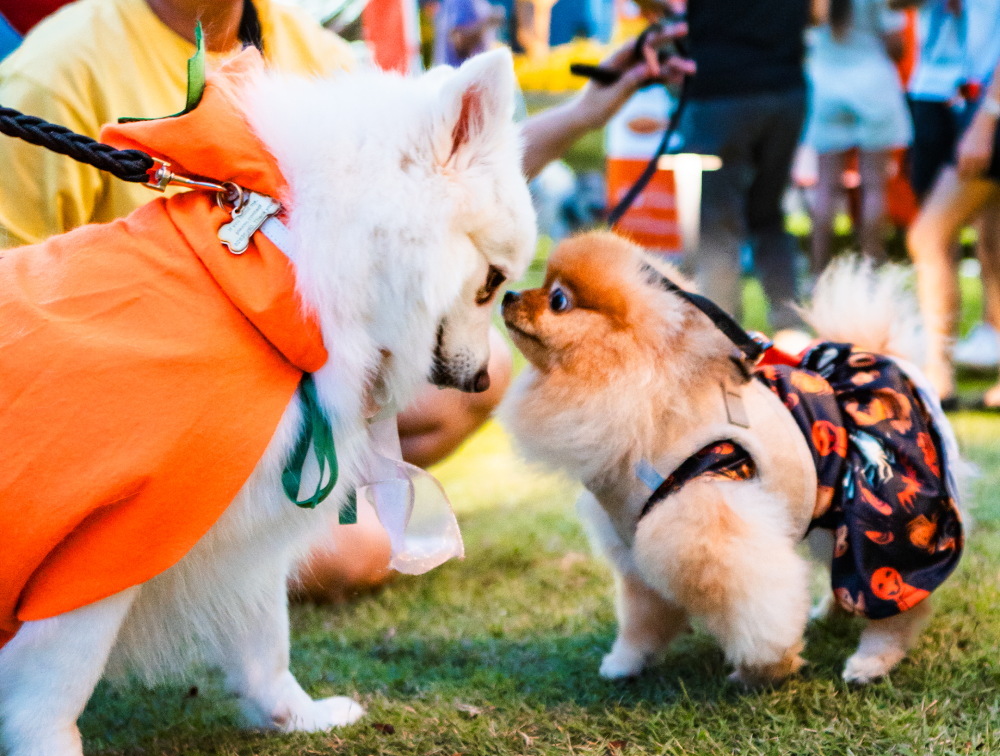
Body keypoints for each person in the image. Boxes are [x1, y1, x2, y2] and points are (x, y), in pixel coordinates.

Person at [0, 0, 692, 600]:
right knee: (360, 551)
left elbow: (442, 172)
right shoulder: (57, 69)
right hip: (128, 416)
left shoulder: (303, 47)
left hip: (275, 388)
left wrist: (587, 109)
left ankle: (285, 507)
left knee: (481, 380)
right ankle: (157, 557)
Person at [676, 0, 811, 337]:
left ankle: (722, 333)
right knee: (768, 214)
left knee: (718, 221)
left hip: (721, 92)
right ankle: (790, 326)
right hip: (784, 90)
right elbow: (818, 14)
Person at [908, 47, 1000, 405]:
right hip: (967, 98)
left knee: (929, 235)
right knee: (992, 240)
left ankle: (938, 372)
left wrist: (986, 120)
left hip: (986, 107)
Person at [805, 0, 913, 271]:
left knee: (825, 186)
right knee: (875, 186)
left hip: (825, 83)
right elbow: (896, 46)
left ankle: (818, 271)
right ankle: (871, 269)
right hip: (872, 83)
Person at [434, 0, 506, 67]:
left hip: (472, 74)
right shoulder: (459, 1)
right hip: (459, 74)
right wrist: (487, 23)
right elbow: (458, 42)